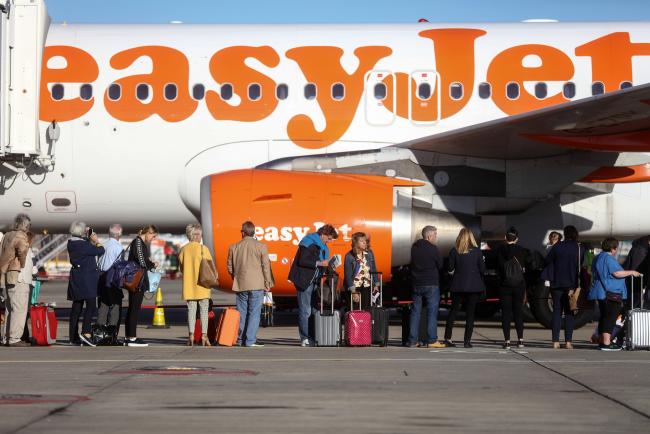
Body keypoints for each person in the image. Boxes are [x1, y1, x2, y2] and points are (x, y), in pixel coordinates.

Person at [288, 224, 338, 347]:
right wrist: (320, 263)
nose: (330, 241)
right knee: (305, 310)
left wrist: (330, 265)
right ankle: (304, 338)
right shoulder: (308, 242)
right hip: (304, 280)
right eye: (329, 238)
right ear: (323, 234)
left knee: (314, 310)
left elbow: (320, 265)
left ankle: (313, 336)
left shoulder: (323, 246)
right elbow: (302, 261)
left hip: (314, 281)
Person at [227, 221, 274, 347]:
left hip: (241, 284)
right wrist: (267, 282)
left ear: (243, 232)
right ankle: (250, 340)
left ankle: (241, 339)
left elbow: (230, 268)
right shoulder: (261, 246)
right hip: (257, 284)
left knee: (241, 313)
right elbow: (266, 266)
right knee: (254, 313)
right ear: (253, 232)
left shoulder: (233, 247)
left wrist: (236, 277)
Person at [589, 237, 640, 351]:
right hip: (611, 292)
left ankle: (602, 342)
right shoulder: (609, 258)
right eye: (616, 248)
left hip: (601, 292)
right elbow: (617, 273)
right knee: (610, 317)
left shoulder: (597, 257)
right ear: (613, 248)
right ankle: (607, 343)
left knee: (604, 317)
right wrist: (631, 272)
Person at [443, 228, 485, 348]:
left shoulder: (454, 251)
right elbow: (482, 269)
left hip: (458, 285)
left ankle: (447, 338)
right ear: (471, 237)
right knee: (470, 314)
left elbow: (450, 269)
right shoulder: (477, 252)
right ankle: (467, 341)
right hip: (473, 286)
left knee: (453, 312)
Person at [544, 225, 584, 349]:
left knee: (556, 311)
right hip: (572, 285)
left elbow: (547, 260)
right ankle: (568, 342)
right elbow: (580, 264)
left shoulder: (557, 246)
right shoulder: (579, 248)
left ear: (565, 234)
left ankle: (555, 341)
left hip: (556, 283)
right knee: (569, 312)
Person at [67, 221, 105, 346]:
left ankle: (73, 337)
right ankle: (86, 332)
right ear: (82, 232)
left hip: (76, 279)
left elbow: (87, 248)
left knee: (76, 308)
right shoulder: (83, 245)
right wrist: (96, 240)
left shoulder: (72, 243)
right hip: (87, 280)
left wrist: (87, 237)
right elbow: (100, 250)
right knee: (91, 306)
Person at [179, 223, 215, 347]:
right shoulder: (203, 249)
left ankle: (191, 336)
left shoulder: (183, 249)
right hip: (203, 285)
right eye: (199, 234)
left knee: (191, 311)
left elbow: (182, 268)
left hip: (189, 286)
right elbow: (210, 267)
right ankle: (204, 336)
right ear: (196, 235)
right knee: (204, 311)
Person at [407, 226, 444, 348]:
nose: (436, 237)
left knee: (415, 312)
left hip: (416, 283)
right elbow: (440, 264)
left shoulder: (414, 248)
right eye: (435, 235)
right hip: (431, 284)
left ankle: (412, 340)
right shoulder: (433, 249)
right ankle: (432, 340)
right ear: (429, 236)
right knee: (432, 312)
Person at [0, 214, 32, 347]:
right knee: (19, 308)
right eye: (28, 225)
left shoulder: (7, 235)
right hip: (19, 276)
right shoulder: (20, 236)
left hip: (7, 275)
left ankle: (7, 337)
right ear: (25, 225)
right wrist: (23, 263)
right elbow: (22, 250)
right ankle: (14, 339)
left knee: (9, 308)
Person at [125, 225, 159, 347]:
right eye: (153, 236)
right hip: (136, 280)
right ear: (148, 233)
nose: (153, 239)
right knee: (134, 309)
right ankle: (132, 338)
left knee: (133, 308)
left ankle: (129, 336)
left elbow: (141, 259)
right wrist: (153, 264)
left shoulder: (139, 242)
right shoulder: (138, 242)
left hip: (138, 279)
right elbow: (142, 261)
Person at [496, 227, 530, 349]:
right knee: (518, 313)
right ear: (517, 239)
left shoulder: (500, 250)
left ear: (505, 238)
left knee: (506, 314)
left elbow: (499, 268)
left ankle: (507, 341)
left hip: (505, 285)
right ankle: (520, 340)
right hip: (519, 285)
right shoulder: (522, 250)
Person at [96, 224, 124, 337]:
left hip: (101, 277)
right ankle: (112, 334)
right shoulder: (119, 247)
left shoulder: (103, 244)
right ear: (119, 234)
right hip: (113, 279)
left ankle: (99, 331)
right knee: (115, 305)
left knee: (103, 304)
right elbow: (121, 267)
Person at [343, 232, 378, 312]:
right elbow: (348, 275)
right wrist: (353, 292)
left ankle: (365, 325)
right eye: (361, 241)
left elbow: (373, 269)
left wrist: (376, 284)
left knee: (366, 311)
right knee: (355, 311)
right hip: (355, 287)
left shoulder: (369, 253)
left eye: (365, 240)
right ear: (356, 242)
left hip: (367, 286)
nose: (364, 242)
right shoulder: (349, 256)